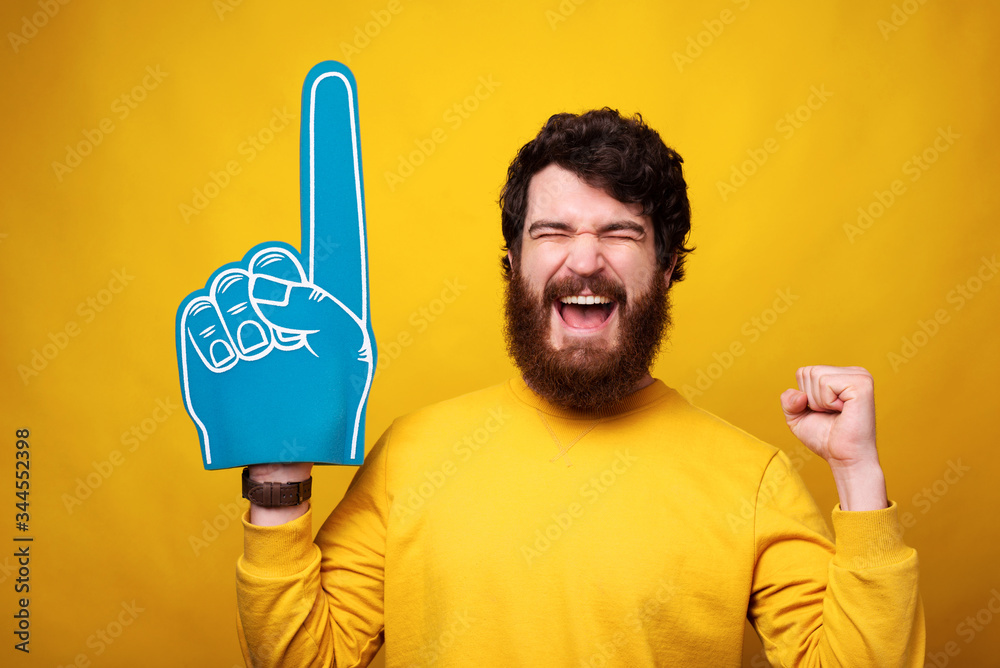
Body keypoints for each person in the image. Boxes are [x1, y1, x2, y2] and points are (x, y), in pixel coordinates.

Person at [234, 109, 924, 667]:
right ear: (513, 264)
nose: (586, 259)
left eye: (621, 233)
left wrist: (858, 474)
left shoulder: (754, 481)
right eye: (554, 231)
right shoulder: (410, 453)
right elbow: (303, 659)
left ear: (666, 267)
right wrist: (276, 459)